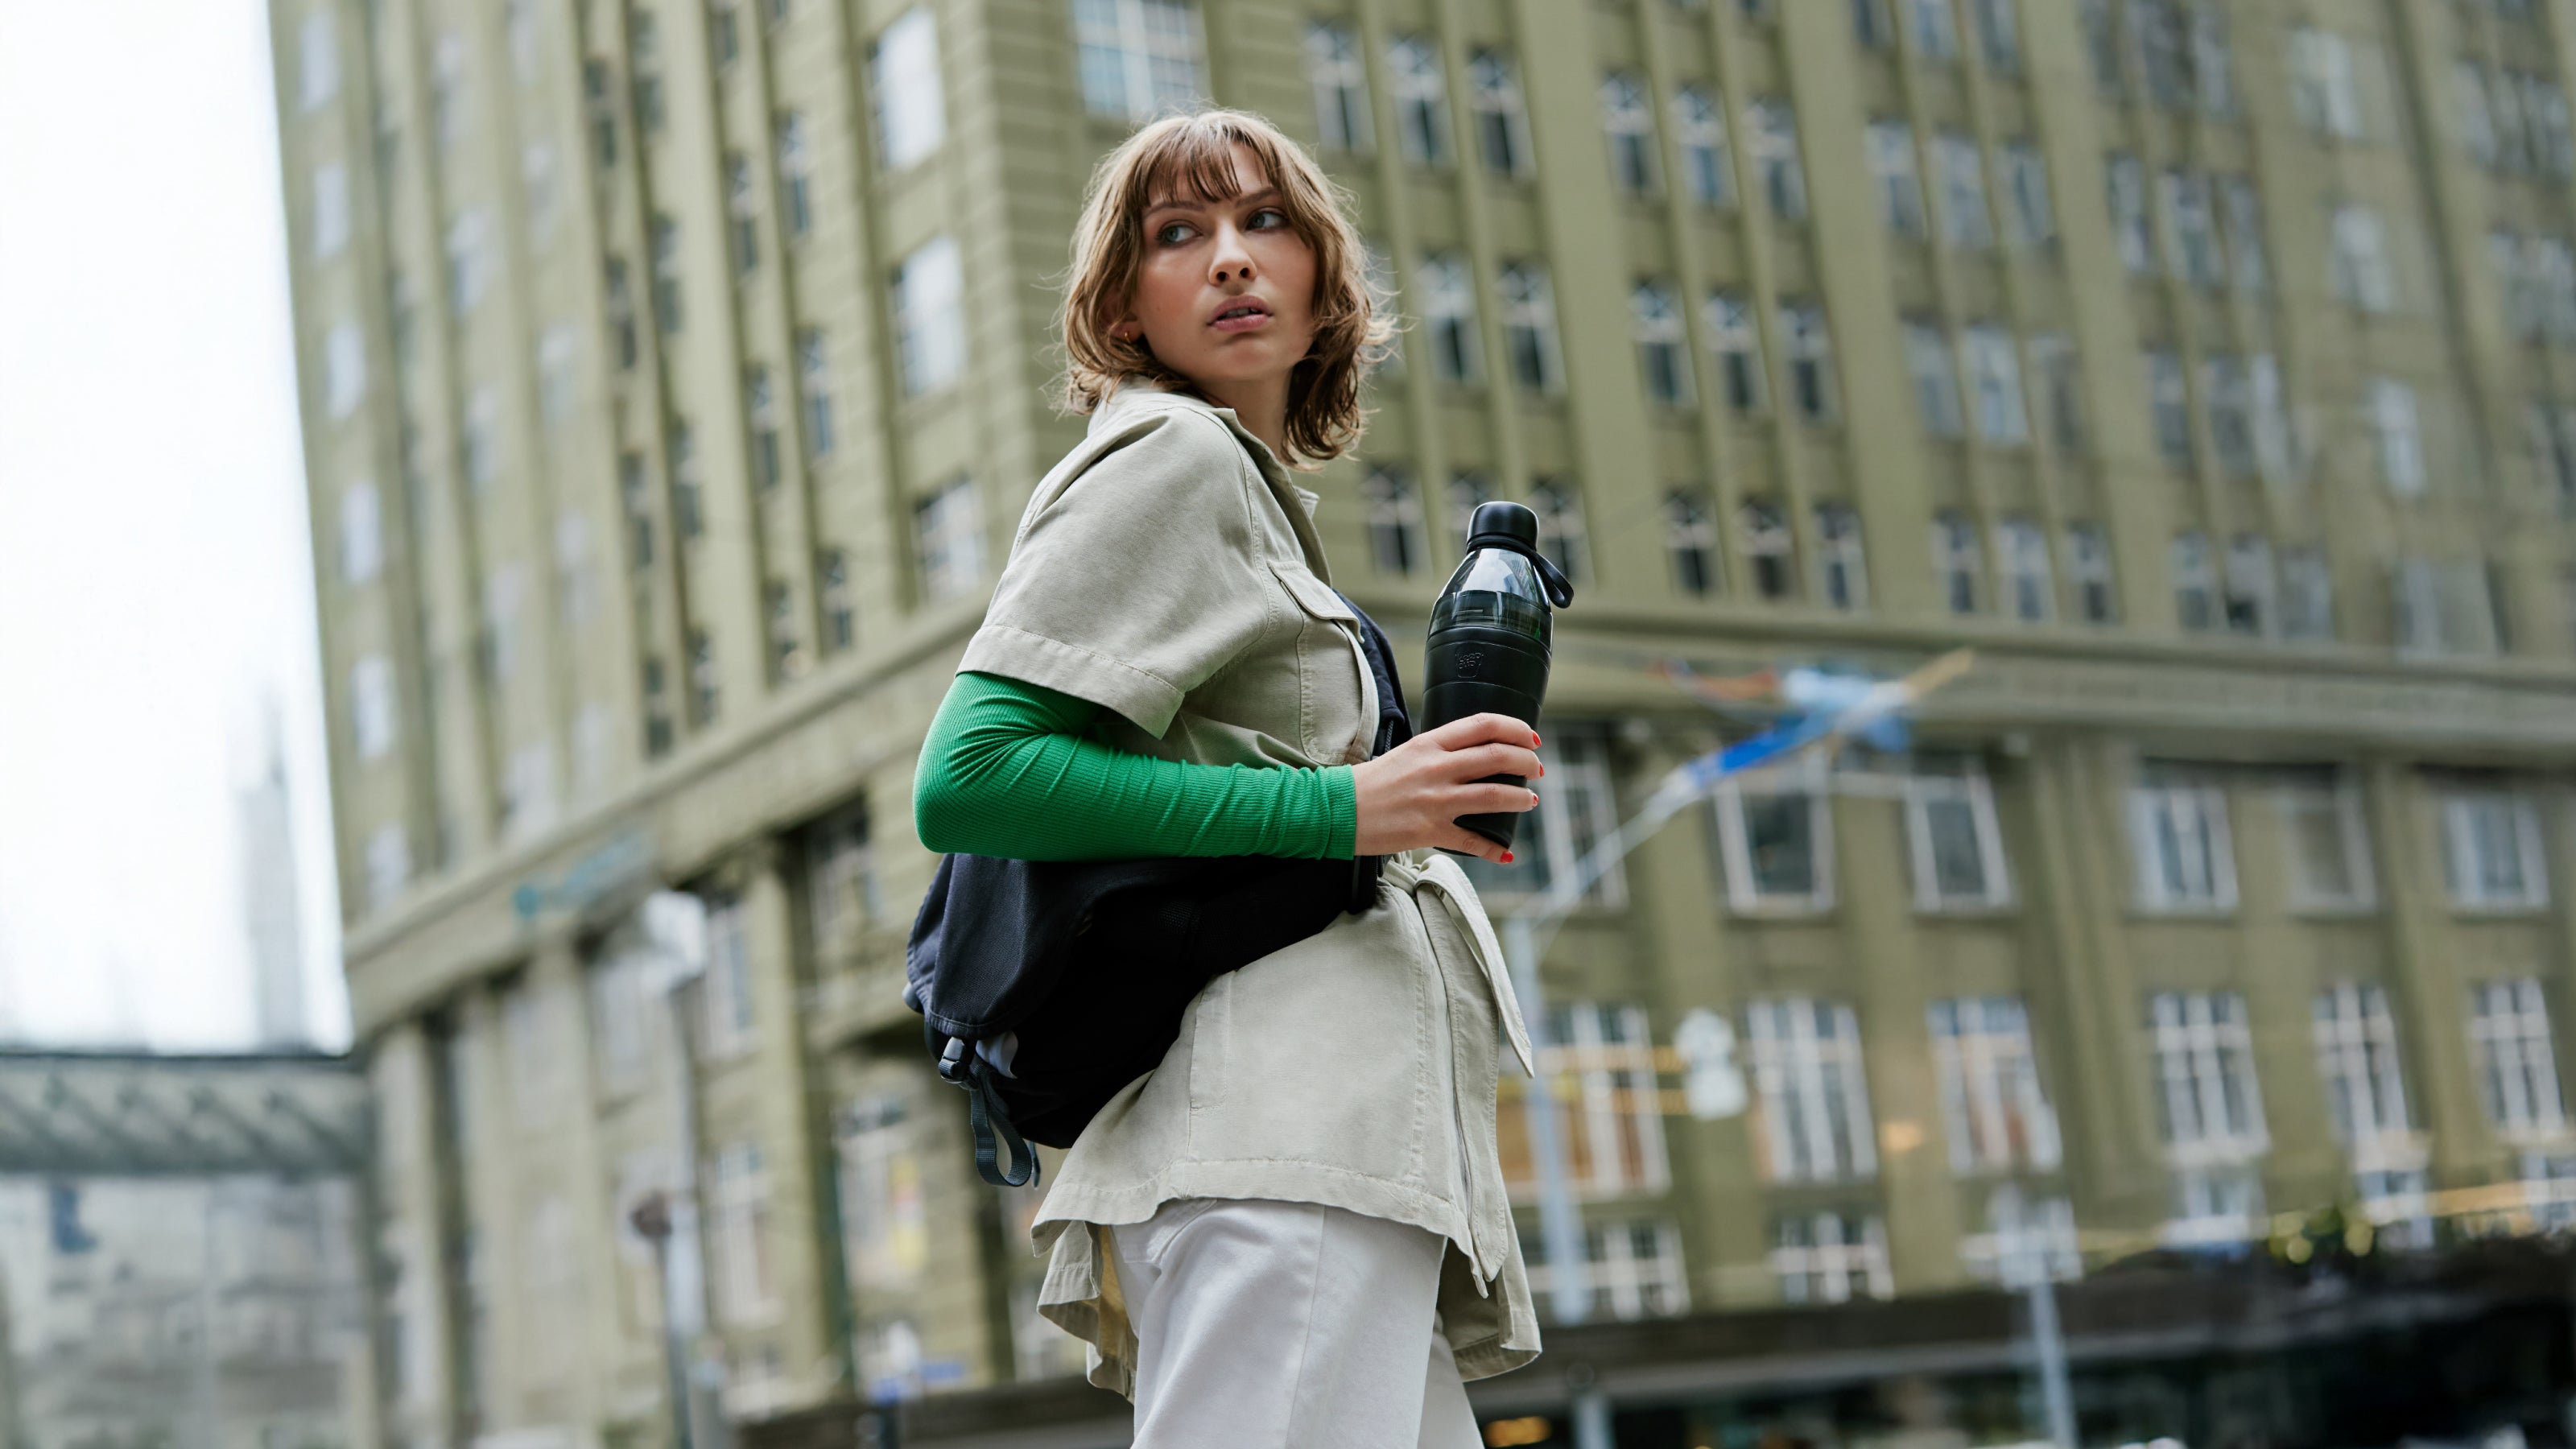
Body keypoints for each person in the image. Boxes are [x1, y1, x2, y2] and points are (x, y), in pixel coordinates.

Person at [912, 109, 1543, 1447]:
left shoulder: (1254, 499)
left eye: (1266, 223)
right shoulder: (1174, 455)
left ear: (1323, 279)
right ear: (1125, 309)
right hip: (1278, 1145)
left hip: (1337, 1148)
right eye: (1179, 236)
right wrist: (1342, 807)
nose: (1234, 261)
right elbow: (971, 776)